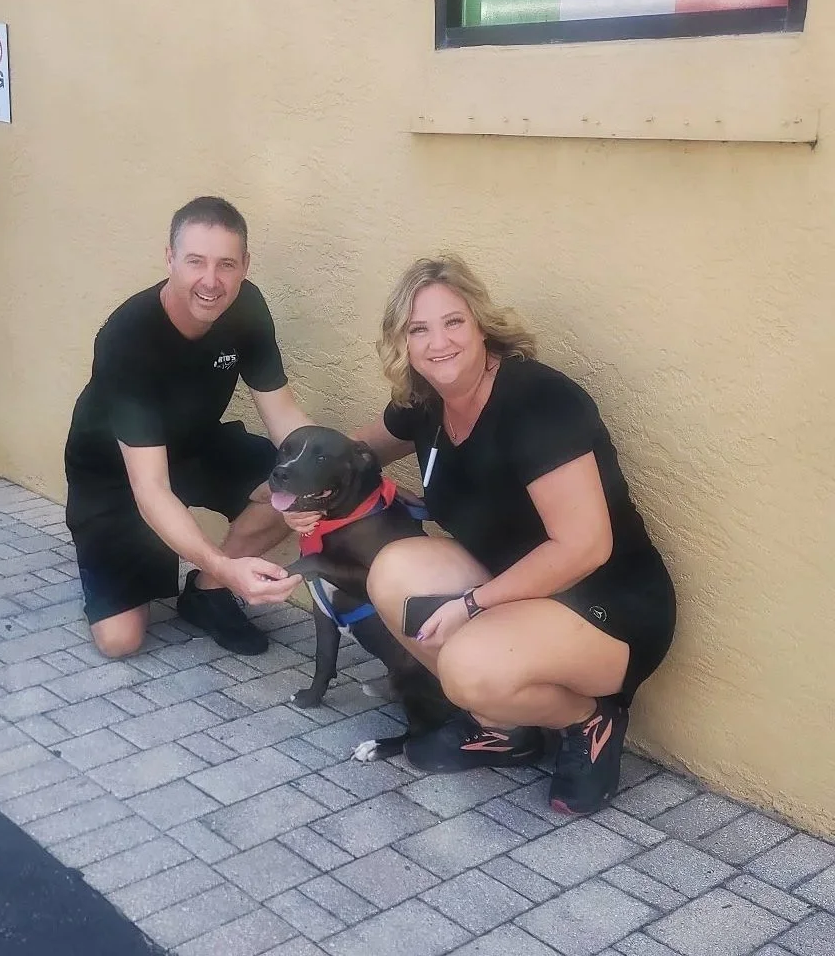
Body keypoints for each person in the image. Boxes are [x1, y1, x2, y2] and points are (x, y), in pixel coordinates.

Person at [282, 255, 676, 815]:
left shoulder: (538, 402)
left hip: (608, 605)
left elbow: (586, 546)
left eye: (453, 322)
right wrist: (299, 498)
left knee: (467, 669)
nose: (438, 342)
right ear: (403, 342)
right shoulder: (424, 403)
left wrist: (473, 603)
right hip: (519, 588)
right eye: (419, 329)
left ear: (480, 323)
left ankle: (589, 721)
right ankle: (507, 729)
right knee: (391, 568)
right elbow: (351, 453)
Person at [64, 197, 311, 659]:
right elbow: (151, 487)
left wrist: (332, 475)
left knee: (298, 485)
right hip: (116, 473)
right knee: (121, 641)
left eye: (226, 264)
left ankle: (208, 591)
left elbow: (284, 416)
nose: (211, 281)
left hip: (195, 445)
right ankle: (184, 565)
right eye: (195, 261)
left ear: (245, 266)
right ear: (170, 259)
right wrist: (219, 556)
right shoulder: (127, 337)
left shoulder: (248, 306)